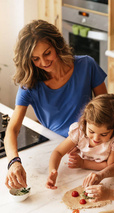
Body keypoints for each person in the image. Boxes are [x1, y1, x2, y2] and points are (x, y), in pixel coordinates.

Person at [4, 19, 107, 190]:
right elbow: (12, 129)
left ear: (57, 45)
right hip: (57, 151)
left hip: (92, 147)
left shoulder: (87, 65)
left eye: (47, 53)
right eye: (35, 58)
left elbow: (108, 110)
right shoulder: (30, 83)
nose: (43, 62)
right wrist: (14, 162)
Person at [46, 93, 114, 189]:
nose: (96, 138)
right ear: (85, 122)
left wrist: (83, 163)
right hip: (91, 173)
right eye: (91, 131)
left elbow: (110, 166)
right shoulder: (79, 131)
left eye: (103, 134)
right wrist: (53, 171)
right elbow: (58, 152)